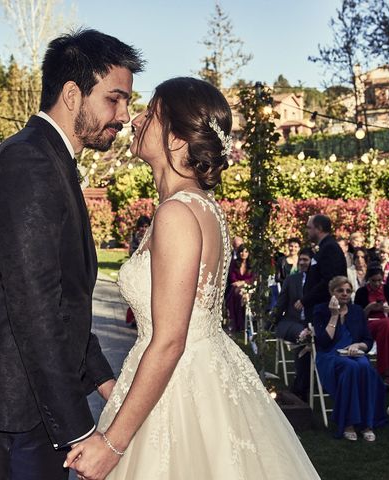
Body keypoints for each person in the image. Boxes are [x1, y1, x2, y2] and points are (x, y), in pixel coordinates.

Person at [65, 77, 319, 479]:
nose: (134, 120)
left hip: (179, 390)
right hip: (201, 375)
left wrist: (113, 444)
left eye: (150, 115)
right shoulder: (203, 208)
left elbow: (169, 341)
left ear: (179, 139)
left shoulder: (177, 215)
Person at [0, 28, 144, 480]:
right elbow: (34, 309)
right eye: (115, 99)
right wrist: (79, 430)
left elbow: (63, 304)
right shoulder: (30, 163)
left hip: (28, 406)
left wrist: (104, 380)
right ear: (73, 95)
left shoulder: (49, 158)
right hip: (16, 413)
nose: (124, 115)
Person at [313, 276, 386, 441]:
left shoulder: (357, 311)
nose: (345, 294)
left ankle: (367, 423)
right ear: (332, 292)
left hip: (354, 354)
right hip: (329, 355)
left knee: (365, 367)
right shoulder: (321, 310)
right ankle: (348, 423)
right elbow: (323, 341)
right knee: (351, 368)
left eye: (348, 291)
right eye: (340, 290)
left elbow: (368, 339)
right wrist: (334, 316)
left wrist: (358, 345)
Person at [273, 247, 313, 400]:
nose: (302, 263)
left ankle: (302, 384)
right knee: (303, 337)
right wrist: (271, 322)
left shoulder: (316, 281)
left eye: (306, 260)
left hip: (310, 323)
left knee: (308, 336)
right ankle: (302, 387)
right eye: (300, 259)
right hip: (291, 321)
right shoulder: (291, 280)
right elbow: (281, 304)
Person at [354, 265, 389, 388]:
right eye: (373, 281)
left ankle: (387, 375)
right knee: (387, 325)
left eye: (379, 281)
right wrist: (369, 308)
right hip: (369, 325)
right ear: (368, 280)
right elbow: (358, 318)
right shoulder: (361, 292)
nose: (376, 284)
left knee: (388, 327)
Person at [298, 214, 347, 323]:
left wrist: (306, 299)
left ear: (319, 228)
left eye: (309, 227)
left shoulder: (330, 248)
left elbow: (329, 280)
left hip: (325, 309)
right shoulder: (323, 247)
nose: (307, 231)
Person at [226, 244, 254, 332]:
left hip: (248, 287)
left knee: (241, 294)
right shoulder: (234, 263)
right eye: (241, 251)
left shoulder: (252, 264)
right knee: (237, 294)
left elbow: (253, 278)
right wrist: (238, 283)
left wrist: (243, 282)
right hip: (235, 286)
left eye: (246, 251)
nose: (243, 253)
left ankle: (241, 324)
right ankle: (236, 323)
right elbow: (232, 276)